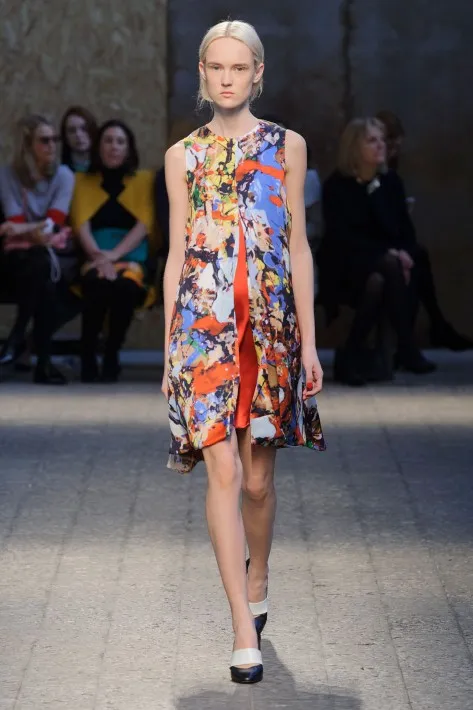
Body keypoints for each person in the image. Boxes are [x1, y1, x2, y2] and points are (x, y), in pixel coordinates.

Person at [162, 20, 325, 683]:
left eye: (239, 67)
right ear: (202, 74)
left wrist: (309, 342)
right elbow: (177, 252)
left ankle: (258, 578)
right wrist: (171, 347)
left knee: (257, 482)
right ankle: (240, 627)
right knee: (223, 474)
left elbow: (297, 246)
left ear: (258, 73)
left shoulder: (288, 146)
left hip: (268, 329)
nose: (226, 78)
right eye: (216, 67)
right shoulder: (182, 156)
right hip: (202, 332)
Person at [317, 117, 436, 385]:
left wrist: (402, 252)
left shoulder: (390, 181)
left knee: (381, 279)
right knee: (387, 268)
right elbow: (343, 238)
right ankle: (406, 347)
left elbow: (405, 231)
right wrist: (390, 254)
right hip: (345, 265)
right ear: (354, 147)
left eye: (382, 140)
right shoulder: (337, 185)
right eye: (372, 140)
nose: (380, 145)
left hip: (381, 267)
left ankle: (352, 356)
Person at [375, 109, 472, 351]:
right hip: (371, 250)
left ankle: (430, 329)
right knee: (410, 262)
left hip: (391, 244)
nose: (392, 150)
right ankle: (425, 332)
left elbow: (402, 228)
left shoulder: (390, 177)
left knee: (417, 257)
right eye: (389, 143)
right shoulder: (363, 179)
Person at [70, 119, 155, 383]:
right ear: (98, 146)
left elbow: (144, 224)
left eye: (120, 142)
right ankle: (87, 353)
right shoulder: (81, 180)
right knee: (97, 284)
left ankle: (111, 353)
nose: (113, 147)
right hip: (93, 255)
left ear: (129, 148)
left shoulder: (144, 180)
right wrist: (99, 257)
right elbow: (80, 223)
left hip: (131, 256)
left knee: (125, 287)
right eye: (108, 140)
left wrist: (114, 256)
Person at [0, 114, 74, 384]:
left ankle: (17, 337)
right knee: (39, 269)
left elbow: (54, 223)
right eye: (44, 140)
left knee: (43, 272)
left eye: (55, 139)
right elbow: (14, 220)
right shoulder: (8, 175)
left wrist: (23, 229)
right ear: (28, 145)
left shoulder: (64, 175)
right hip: (16, 258)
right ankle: (43, 362)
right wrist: (30, 229)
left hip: (51, 256)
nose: (52, 145)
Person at [60, 106, 98, 173]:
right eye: (72, 130)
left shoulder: (106, 168)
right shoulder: (60, 173)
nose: (78, 135)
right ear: (65, 137)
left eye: (84, 129)